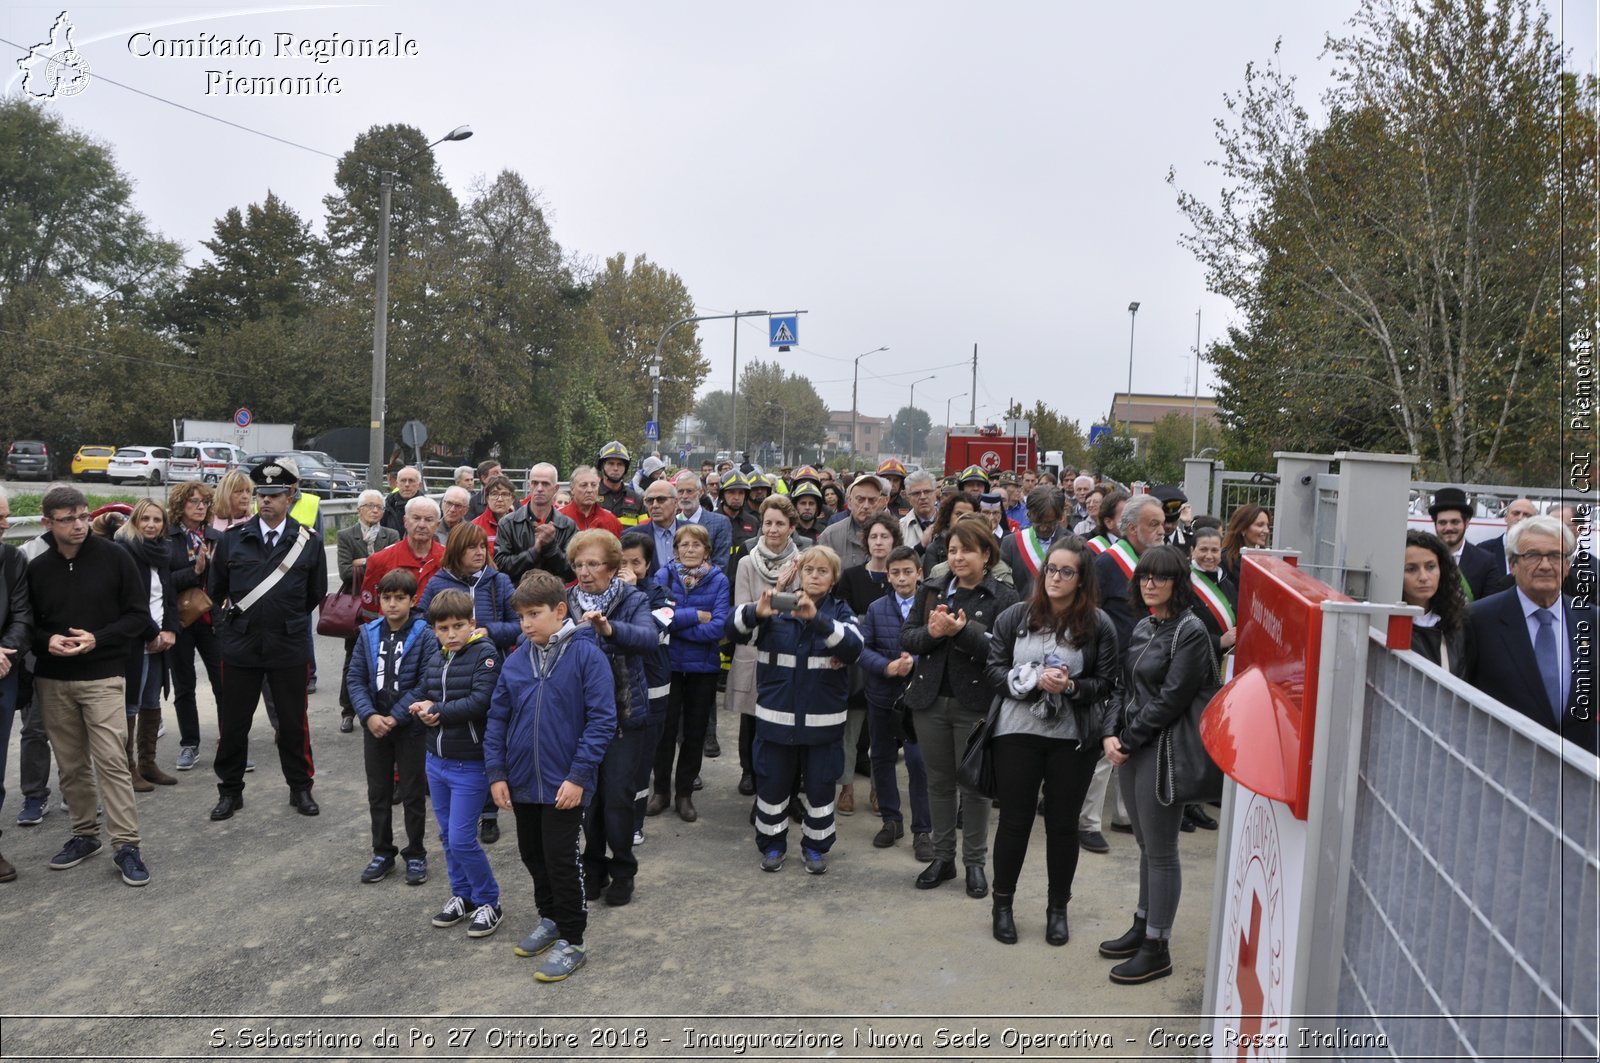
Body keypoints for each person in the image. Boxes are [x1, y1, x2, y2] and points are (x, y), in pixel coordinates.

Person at [985, 537, 1120, 946]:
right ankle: (1002, 906)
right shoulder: (1015, 616)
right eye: (1051, 569)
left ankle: (1057, 909)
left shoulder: (1098, 624)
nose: (1055, 578)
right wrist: (1023, 681)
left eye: (1066, 571)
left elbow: (1108, 684)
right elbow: (993, 669)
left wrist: (1072, 687)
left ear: (1082, 579)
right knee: (1014, 821)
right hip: (1017, 733)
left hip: (1071, 738)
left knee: (1063, 826)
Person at [487, 570, 617, 982]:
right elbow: (497, 719)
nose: (525, 623)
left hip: (567, 783)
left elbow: (602, 720)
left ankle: (573, 940)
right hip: (523, 780)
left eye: (534, 614)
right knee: (532, 853)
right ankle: (551, 918)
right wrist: (497, 773)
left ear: (560, 611)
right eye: (521, 616)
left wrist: (579, 776)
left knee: (561, 860)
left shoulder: (586, 655)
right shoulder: (515, 660)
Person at [1100, 545, 1217, 984]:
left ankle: (1158, 946)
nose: (1150, 583)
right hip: (1132, 746)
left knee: (1163, 850)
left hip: (1161, 749)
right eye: (1144, 576)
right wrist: (1110, 733)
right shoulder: (1145, 625)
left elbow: (1172, 699)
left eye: (1160, 577)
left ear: (1178, 583)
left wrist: (1126, 740)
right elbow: (1122, 687)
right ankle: (1143, 923)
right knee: (1147, 847)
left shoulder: (1190, 631)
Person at [26, 485, 152, 885]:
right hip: (53, 677)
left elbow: (138, 617)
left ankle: (127, 845)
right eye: (68, 519)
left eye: (83, 516)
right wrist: (45, 639)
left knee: (112, 760)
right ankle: (84, 835)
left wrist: (98, 638)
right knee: (71, 765)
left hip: (104, 674)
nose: (79, 525)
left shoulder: (116, 556)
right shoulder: (35, 565)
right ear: (48, 522)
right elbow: (23, 622)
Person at [900, 517, 1020, 897]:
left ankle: (974, 863)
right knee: (938, 783)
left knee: (975, 788)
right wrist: (933, 633)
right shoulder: (932, 588)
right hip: (930, 701)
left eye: (967, 550)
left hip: (976, 704)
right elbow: (909, 638)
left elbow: (1005, 653)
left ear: (986, 554)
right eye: (952, 550)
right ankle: (942, 858)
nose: (958, 557)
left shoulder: (1003, 597)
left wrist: (962, 632)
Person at [726, 545, 863, 874]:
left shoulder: (841, 612)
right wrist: (756, 612)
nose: (814, 577)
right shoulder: (776, 609)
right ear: (799, 574)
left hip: (822, 727)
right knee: (772, 787)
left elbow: (854, 648)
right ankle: (772, 845)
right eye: (809, 570)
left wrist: (817, 620)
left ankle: (815, 848)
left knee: (819, 791)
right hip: (776, 722)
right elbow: (732, 632)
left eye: (822, 571)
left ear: (833, 580)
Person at [207, 461, 326, 822]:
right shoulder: (233, 539)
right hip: (241, 646)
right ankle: (229, 791)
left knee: (292, 722)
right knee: (234, 723)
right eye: (261, 495)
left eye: (274, 495)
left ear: (290, 497)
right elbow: (216, 590)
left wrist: (284, 619)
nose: (266, 501)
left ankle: (300, 787)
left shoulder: (307, 542)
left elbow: (314, 593)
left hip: (288, 646)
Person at [403, 588, 503, 938]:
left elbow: (481, 702)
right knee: (447, 836)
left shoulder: (485, 654)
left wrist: (438, 712)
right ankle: (463, 895)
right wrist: (416, 708)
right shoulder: (439, 656)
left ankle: (490, 900)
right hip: (437, 761)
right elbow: (427, 692)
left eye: (458, 626)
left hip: (469, 764)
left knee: (462, 838)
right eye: (443, 628)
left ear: (472, 623)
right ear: (434, 630)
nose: (451, 634)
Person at [565, 530, 656, 907]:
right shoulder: (565, 600)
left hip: (624, 716)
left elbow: (648, 638)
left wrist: (609, 628)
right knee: (588, 801)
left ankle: (623, 870)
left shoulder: (633, 598)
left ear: (613, 566)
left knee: (617, 800)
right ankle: (593, 868)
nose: (585, 572)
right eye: (578, 564)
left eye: (593, 564)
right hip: (578, 721)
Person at [1465, 514, 1597, 754]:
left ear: (1567, 565)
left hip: (1579, 768)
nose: (1545, 565)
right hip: (1502, 764)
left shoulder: (1592, 620)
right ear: (1513, 565)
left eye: (1555, 555)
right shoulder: (1477, 620)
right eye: (1533, 555)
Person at [1080, 493, 1166, 854]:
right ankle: (1086, 822)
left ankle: (1125, 815)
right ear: (1131, 529)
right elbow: (1089, 616)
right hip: (1114, 669)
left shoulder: (1157, 561)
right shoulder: (1106, 564)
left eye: (1162, 523)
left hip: (1146, 671)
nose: (1162, 530)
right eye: (1153, 524)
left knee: (1135, 743)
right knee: (1104, 750)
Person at [346, 568, 434, 886]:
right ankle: (382, 852)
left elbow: (427, 680)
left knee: (412, 793)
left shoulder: (425, 634)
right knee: (378, 792)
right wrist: (369, 716)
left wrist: (396, 716)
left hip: (408, 726)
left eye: (400, 598)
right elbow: (355, 678)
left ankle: (416, 854)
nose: (393, 604)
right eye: (387, 598)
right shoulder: (368, 633)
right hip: (375, 727)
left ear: (413, 600)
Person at [648, 524, 730, 823]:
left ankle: (684, 794)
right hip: (667, 666)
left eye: (697, 545)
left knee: (694, 733)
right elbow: (658, 617)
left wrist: (677, 625)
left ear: (706, 550)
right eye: (685, 544)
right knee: (664, 732)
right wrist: (695, 615)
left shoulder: (719, 581)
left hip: (703, 668)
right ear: (676, 549)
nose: (690, 549)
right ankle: (660, 791)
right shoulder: (663, 576)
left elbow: (719, 627)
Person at [857, 545, 932, 858]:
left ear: (919, 573)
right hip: (883, 697)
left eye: (907, 572)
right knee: (882, 758)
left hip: (918, 699)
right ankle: (891, 820)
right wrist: (887, 667)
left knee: (918, 762)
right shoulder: (876, 608)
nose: (902, 578)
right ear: (887, 575)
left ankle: (923, 831)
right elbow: (863, 649)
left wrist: (914, 661)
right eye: (895, 572)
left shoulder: (932, 606)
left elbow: (938, 647)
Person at [727, 496, 803, 796]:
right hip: (753, 648)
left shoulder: (802, 562)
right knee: (752, 718)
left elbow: (800, 609)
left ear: (792, 528)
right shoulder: (747, 562)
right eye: (768, 523)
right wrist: (779, 591)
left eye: (780, 524)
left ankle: (787, 781)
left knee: (785, 718)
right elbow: (743, 609)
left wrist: (773, 602)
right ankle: (749, 771)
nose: (772, 530)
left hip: (788, 651)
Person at [833, 512, 903, 815]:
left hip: (890, 666)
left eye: (884, 537)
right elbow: (845, 619)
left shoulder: (901, 577)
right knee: (850, 731)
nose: (878, 542)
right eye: (873, 536)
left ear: (894, 541)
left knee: (882, 735)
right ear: (866, 542)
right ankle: (846, 787)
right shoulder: (850, 576)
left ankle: (878, 788)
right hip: (856, 667)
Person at [115, 500, 178, 791]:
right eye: (145, 519)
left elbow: (169, 596)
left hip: (158, 641)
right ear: (135, 521)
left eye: (157, 520)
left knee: (152, 702)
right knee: (131, 704)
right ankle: (127, 770)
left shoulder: (163, 552)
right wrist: (153, 633)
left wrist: (170, 631)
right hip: (134, 642)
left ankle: (148, 764)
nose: (151, 524)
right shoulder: (124, 550)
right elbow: (130, 601)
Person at [617, 531, 673, 848]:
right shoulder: (605, 592)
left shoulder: (662, 595)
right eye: (622, 562)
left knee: (641, 762)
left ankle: (635, 822)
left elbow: (647, 633)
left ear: (648, 563)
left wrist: (632, 592)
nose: (628, 568)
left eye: (635, 562)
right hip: (617, 690)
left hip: (652, 691)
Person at [163, 482, 224, 769]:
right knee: (184, 686)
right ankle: (190, 744)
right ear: (180, 506)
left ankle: (231, 742)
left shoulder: (216, 538)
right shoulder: (167, 538)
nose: (200, 506)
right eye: (193, 502)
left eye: (204, 502)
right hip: (180, 621)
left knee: (223, 684)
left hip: (212, 622)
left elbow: (227, 581)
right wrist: (194, 571)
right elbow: (162, 584)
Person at [335, 490, 400, 733]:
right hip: (358, 607)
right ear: (359, 509)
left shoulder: (391, 534)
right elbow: (345, 572)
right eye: (369, 506)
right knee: (353, 660)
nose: (374, 510)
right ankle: (347, 710)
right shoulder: (345, 536)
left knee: (385, 658)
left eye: (379, 507)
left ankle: (378, 709)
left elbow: (393, 569)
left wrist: (362, 561)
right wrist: (375, 562)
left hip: (384, 605)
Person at [0, 490, 30, 881]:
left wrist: (5, 651)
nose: (5, 525)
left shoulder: (12, 559)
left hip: (2, 672)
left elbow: (23, 613)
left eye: (5, 517)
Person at [359, 497, 445, 623]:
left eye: (428, 520)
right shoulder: (379, 560)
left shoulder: (449, 558)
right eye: (416, 518)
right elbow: (370, 608)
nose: (421, 524)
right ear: (405, 521)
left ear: (437, 525)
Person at [495, 464, 578, 586]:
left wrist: (551, 548)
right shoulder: (508, 523)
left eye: (545, 484)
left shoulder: (568, 526)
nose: (539, 488)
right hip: (517, 598)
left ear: (556, 489)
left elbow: (573, 571)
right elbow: (500, 566)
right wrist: (534, 552)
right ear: (529, 486)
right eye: (535, 483)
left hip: (554, 599)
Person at [1402, 530, 1470, 676]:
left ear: (1442, 569)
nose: (1423, 577)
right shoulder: (1386, 622)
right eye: (1411, 569)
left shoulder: (1459, 621)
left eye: (1430, 566)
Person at [1000, 486, 1067, 600]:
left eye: (1049, 522)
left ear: (1060, 516)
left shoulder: (1073, 544)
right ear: (1028, 514)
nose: (1043, 528)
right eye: (1037, 522)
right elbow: (1001, 588)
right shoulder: (1011, 544)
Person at [1428, 487, 1495, 601]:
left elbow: (1491, 606)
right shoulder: (1424, 558)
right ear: (1435, 524)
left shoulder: (1486, 561)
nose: (1448, 528)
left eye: (1455, 522)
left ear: (1466, 522)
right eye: (1442, 523)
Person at [673, 472, 733, 570]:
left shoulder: (720, 522)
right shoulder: (672, 522)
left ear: (700, 493)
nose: (684, 496)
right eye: (680, 491)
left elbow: (720, 564)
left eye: (689, 491)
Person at [921, 493, 978, 575]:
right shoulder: (934, 549)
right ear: (948, 517)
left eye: (969, 515)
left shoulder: (982, 545)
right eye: (958, 514)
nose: (963, 518)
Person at [561, 465, 626, 536]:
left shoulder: (610, 520)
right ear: (572, 489)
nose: (590, 490)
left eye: (594, 485)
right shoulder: (560, 518)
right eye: (584, 485)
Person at [1220, 504, 1272, 587]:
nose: (1266, 530)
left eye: (1267, 525)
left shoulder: (1264, 560)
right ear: (1243, 528)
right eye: (1260, 525)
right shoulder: (1224, 560)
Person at [596, 441, 646, 527]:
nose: (615, 468)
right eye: (611, 463)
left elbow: (645, 529)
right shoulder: (592, 496)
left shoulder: (637, 499)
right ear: (602, 466)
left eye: (620, 464)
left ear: (625, 468)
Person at [470, 473, 517, 553]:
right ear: (487, 498)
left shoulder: (521, 525)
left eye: (505, 494)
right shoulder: (474, 527)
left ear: (512, 499)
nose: (499, 499)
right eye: (494, 494)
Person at [898, 470, 941, 557]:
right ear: (908, 498)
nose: (923, 497)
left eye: (927, 491)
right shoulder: (900, 528)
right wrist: (920, 546)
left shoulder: (950, 523)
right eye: (916, 493)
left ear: (935, 493)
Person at [381, 466, 425, 534]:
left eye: (411, 480)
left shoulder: (428, 508)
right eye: (403, 480)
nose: (407, 484)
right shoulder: (386, 506)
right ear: (397, 484)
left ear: (419, 485)